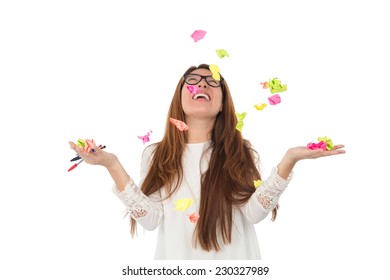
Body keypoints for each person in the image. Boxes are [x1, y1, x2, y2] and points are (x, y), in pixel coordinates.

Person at [69, 64, 345, 259]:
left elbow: (252, 214)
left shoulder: (240, 150)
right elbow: (151, 220)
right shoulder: (155, 154)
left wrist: (289, 161)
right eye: (193, 81)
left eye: (213, 81)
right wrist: (112, 165)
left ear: (223, 103)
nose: (202, 84)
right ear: (180, 96)